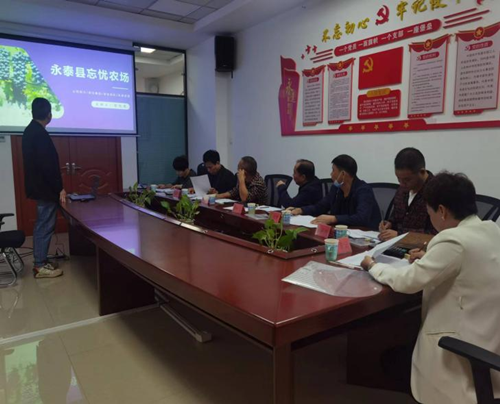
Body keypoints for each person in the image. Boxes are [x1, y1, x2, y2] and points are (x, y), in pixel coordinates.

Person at [361, 172, 500, 404]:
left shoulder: (453, 240)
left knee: (391, 361)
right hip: (489, 338)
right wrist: (429, 258)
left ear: (442, 211)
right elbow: (468, 263)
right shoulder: (492, 230)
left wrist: (373, 266)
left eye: (430, 212)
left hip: (460, 350)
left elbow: (407, 282)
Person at [22, 98, 65, 278]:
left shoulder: (30, 130)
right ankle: (40, 266)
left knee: (43, 224)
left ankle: (41, 260)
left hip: (40, 186)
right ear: (49, 115)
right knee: (44, 225)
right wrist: (59, 188)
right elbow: (48, 166)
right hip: (45, 188)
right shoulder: (39, 134)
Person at [290, 155, 381, 229]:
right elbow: (321, 206)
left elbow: (361, 218)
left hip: (365, 235)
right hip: (343, 232)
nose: (331, 174)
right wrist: (301, 210)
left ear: (343, 174)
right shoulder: (337, 188)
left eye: (333, 170)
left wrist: (334, 219)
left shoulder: (363, 190)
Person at [379, 148, 436, 241]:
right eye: (398, 179)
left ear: (422, 172)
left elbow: (435, 235)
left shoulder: (437, 192)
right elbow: (395, 218)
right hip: (395, 245)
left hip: (421, 248)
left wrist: (400, 236)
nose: (401, 184)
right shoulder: (402, 190)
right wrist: (389, 224)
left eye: (407, 180)